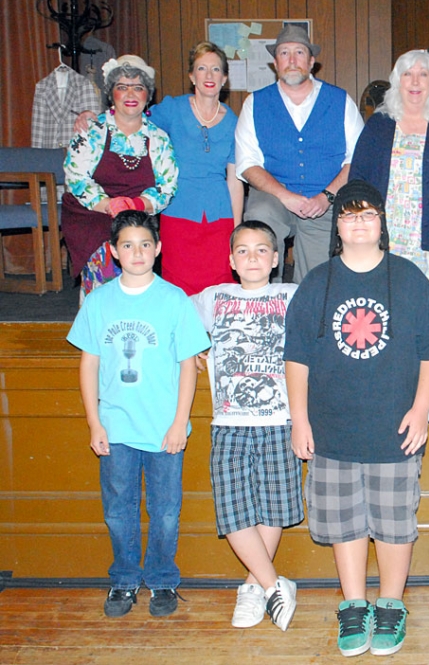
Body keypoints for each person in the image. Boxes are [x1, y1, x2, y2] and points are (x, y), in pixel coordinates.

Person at [284, 179, 429, 656]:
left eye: (367, 215)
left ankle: (391, 606)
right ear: (336, 225)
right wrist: (300, 419)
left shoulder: (407, 278)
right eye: (349, 215)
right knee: (344, 524)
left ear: (381, 222)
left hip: (393, 431)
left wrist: (421, 410)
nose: (358, 223)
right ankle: (355, 605)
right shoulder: (317, 281)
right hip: (332, 430)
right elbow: (296, 357)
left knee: (394, 522)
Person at [66, 210, 210, 619]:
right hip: (116, 427)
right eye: (127, 245)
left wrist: (180, 421)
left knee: (165, 511)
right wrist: (95, 422)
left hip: (164, 429)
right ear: (114, 252)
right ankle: (124, 580)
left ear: (158, 249)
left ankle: (162, 579)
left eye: (146, 244)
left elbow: (187, 364)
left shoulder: (174, 300)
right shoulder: (99, 301)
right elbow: (89, 363)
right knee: (118, 509)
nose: (137, 252)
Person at [192, 221, 302, 631]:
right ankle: (274, 584)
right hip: (229, 421)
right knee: (234, 510)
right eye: (243, 250)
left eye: (261, 250)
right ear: (231, 260)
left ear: (276, 259)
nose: (252, 257)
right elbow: (174, 322)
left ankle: (253, 587)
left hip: (279, 418)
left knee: (273, 506)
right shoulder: (212, 298)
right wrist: (196, 348)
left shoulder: (292, 295)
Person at [76, 43, 244, 295]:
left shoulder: (233, 121)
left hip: (220, 216)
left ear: (225, 78)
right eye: (202, 68)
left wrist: (237, 230)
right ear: (191, 77)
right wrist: (95, 115)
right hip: (177, 211)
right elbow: (129, 115)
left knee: (222, 288)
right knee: (179, 286)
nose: (209, 76)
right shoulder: (172, 109)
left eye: (216, 69)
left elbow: (234, 180)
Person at [235, 24, 364, 283]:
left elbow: (357, 157)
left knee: (317, 280)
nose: (292, 60)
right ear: (275, 63)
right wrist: (285, 196)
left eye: (299, 53)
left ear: (312, 61)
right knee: (261, 216)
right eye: (284, 53)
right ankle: (265, 298)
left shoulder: (340, 101)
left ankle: (308, 315)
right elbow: (248, 163)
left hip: (324, 197)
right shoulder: (255, 103)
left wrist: (327, 196)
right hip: (275, 196)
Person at [350, 50, 429, 303]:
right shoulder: (378, 124)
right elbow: (357, 179)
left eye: (423, 75)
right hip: (385, 236)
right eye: (408, 74)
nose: (415, 82)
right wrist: (361, 227)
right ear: (397, 81)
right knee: (385, 303)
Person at [64, 55, 178, 297]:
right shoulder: (91, 130)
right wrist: (109, 205)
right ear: (111, 93)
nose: (131, 94)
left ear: (148, 95)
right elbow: (76, 178)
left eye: (138, 88)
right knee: (108, 257)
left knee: (138, 253)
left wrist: (137, 204)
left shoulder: (158, 138)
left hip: (138, 217)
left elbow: (168, 185)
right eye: (122, 87)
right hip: (92, 217)